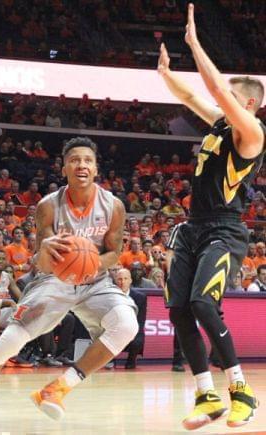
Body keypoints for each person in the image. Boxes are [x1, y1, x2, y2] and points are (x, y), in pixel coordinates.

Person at [0, 137, 138, 432]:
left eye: (87, 160)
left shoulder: (113, 206)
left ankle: (57, 388)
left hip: (94, 280)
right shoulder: (48, 205)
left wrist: (90, 264)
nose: (81, 164)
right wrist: (46, 254)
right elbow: (41, 262)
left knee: (127, 325)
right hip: (53, 280)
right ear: (64, 167)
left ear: (96, 169)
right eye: (75, 160)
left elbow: (114, 253)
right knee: (12, 340)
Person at [158, 4, 263, 428]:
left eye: (232, 97)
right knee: (179, 308)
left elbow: (217, 91)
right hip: (193, 228)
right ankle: (206, 395)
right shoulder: (220, 123)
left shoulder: (252, 133)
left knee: (204, 302)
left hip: (224, 229)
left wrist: (196, 45)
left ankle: (241, 390)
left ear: (250, 102)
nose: (223, 100)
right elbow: (191, 98)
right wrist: (166, 75)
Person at [114, 268, 147, 369]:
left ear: (130, 280)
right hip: (112, 329)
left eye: (125, 279)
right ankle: (107, 360)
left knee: (139, 339)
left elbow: (140, 321)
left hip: (131, 329)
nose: (122, 282)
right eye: (119, 279)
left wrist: (131, 333)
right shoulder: (109, 296)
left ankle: (131, 360)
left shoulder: (140, 297)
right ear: (115, 281)